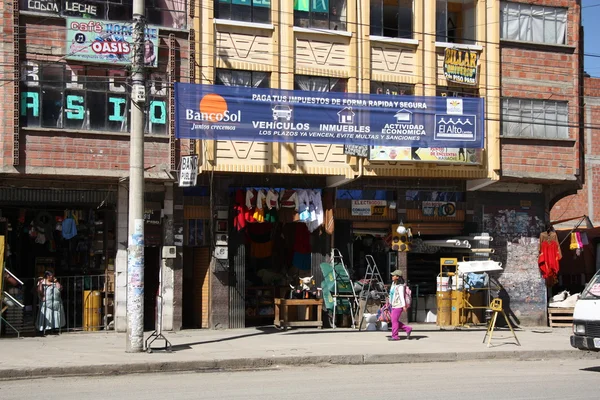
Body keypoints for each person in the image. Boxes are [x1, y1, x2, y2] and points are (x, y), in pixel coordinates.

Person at [36, 271, 66, 335]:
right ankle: (44, 329)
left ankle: (54, 328)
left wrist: (56, 282)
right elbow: (40, 291)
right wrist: (42, 284)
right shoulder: (42, 282)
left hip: (56, 302)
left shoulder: (54, 282)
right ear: (47, 276)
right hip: (46, 302)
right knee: (46, 314)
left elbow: (60, 288)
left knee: (55, 316)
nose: (52, 277)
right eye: (51, 276)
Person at [388, 270, 412, 341]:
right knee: (393, 320)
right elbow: (391, 294)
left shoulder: (400, 286)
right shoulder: (393, 284)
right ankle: (407, 328)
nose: (392, 277)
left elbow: (401, 296)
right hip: (393, 304)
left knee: (394, 321)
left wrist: (404, 306)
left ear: (398, 277)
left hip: (398, 305)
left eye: (393, 276)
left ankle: (395, 336)